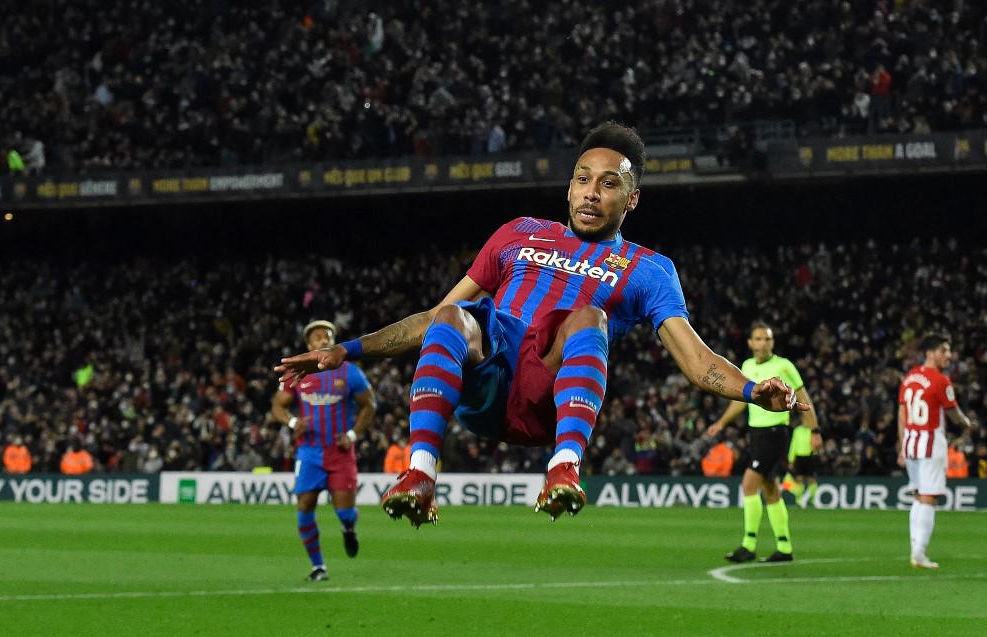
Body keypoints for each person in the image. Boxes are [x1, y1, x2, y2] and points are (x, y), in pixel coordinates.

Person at [276, 122, 805, 528]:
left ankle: (564, 466)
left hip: (546, 392)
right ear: (569, 187)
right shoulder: (518, 232)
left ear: (632, 199)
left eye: (608, 184)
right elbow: (433, 321)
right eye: (582, 179)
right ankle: (420, 473)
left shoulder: (649, 269)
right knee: (453, 315)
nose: (591, 192)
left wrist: (753, 390)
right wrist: (346, 350)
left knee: (588, 315)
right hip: (486, 385)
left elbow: (695, 360)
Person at [705, 321, 821, 563]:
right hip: (756, 433)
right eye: (758, 338)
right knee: (770, 489)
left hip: (775, 432)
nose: (763, 343)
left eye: (767, 338)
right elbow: (740, 400)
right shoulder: (747, 366)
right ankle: (784, 547)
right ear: (750, 343)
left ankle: (748, 545)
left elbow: (803, 397)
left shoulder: (784, 366)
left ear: (772, 342)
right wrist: (722, 423)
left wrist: (814, 430)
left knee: (749, 484)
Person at [271, 320, 376, 581]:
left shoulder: (350, 372)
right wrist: (293, 422)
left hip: (340, 453)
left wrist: (352, 435)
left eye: (327, 335)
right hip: (309, 452)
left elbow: (369, 405)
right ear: (309, 345)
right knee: (304, 506)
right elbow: (278, 406)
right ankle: (318, 567)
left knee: (345, 513)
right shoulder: (298, 373)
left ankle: (348, 527)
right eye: (317, 337)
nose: (323, 340)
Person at [897, 333, 972, 569]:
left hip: (911, 441)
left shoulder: (910, 377)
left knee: (919, 495)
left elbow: (902, 414)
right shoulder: (941, 381)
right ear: (930, 353)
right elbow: (953, 412)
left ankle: (915, 549)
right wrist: (966, 423)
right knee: (929, 497)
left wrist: (902, 445)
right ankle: (919, 552)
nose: (949, 355)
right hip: (930, 443)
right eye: (944, 350)